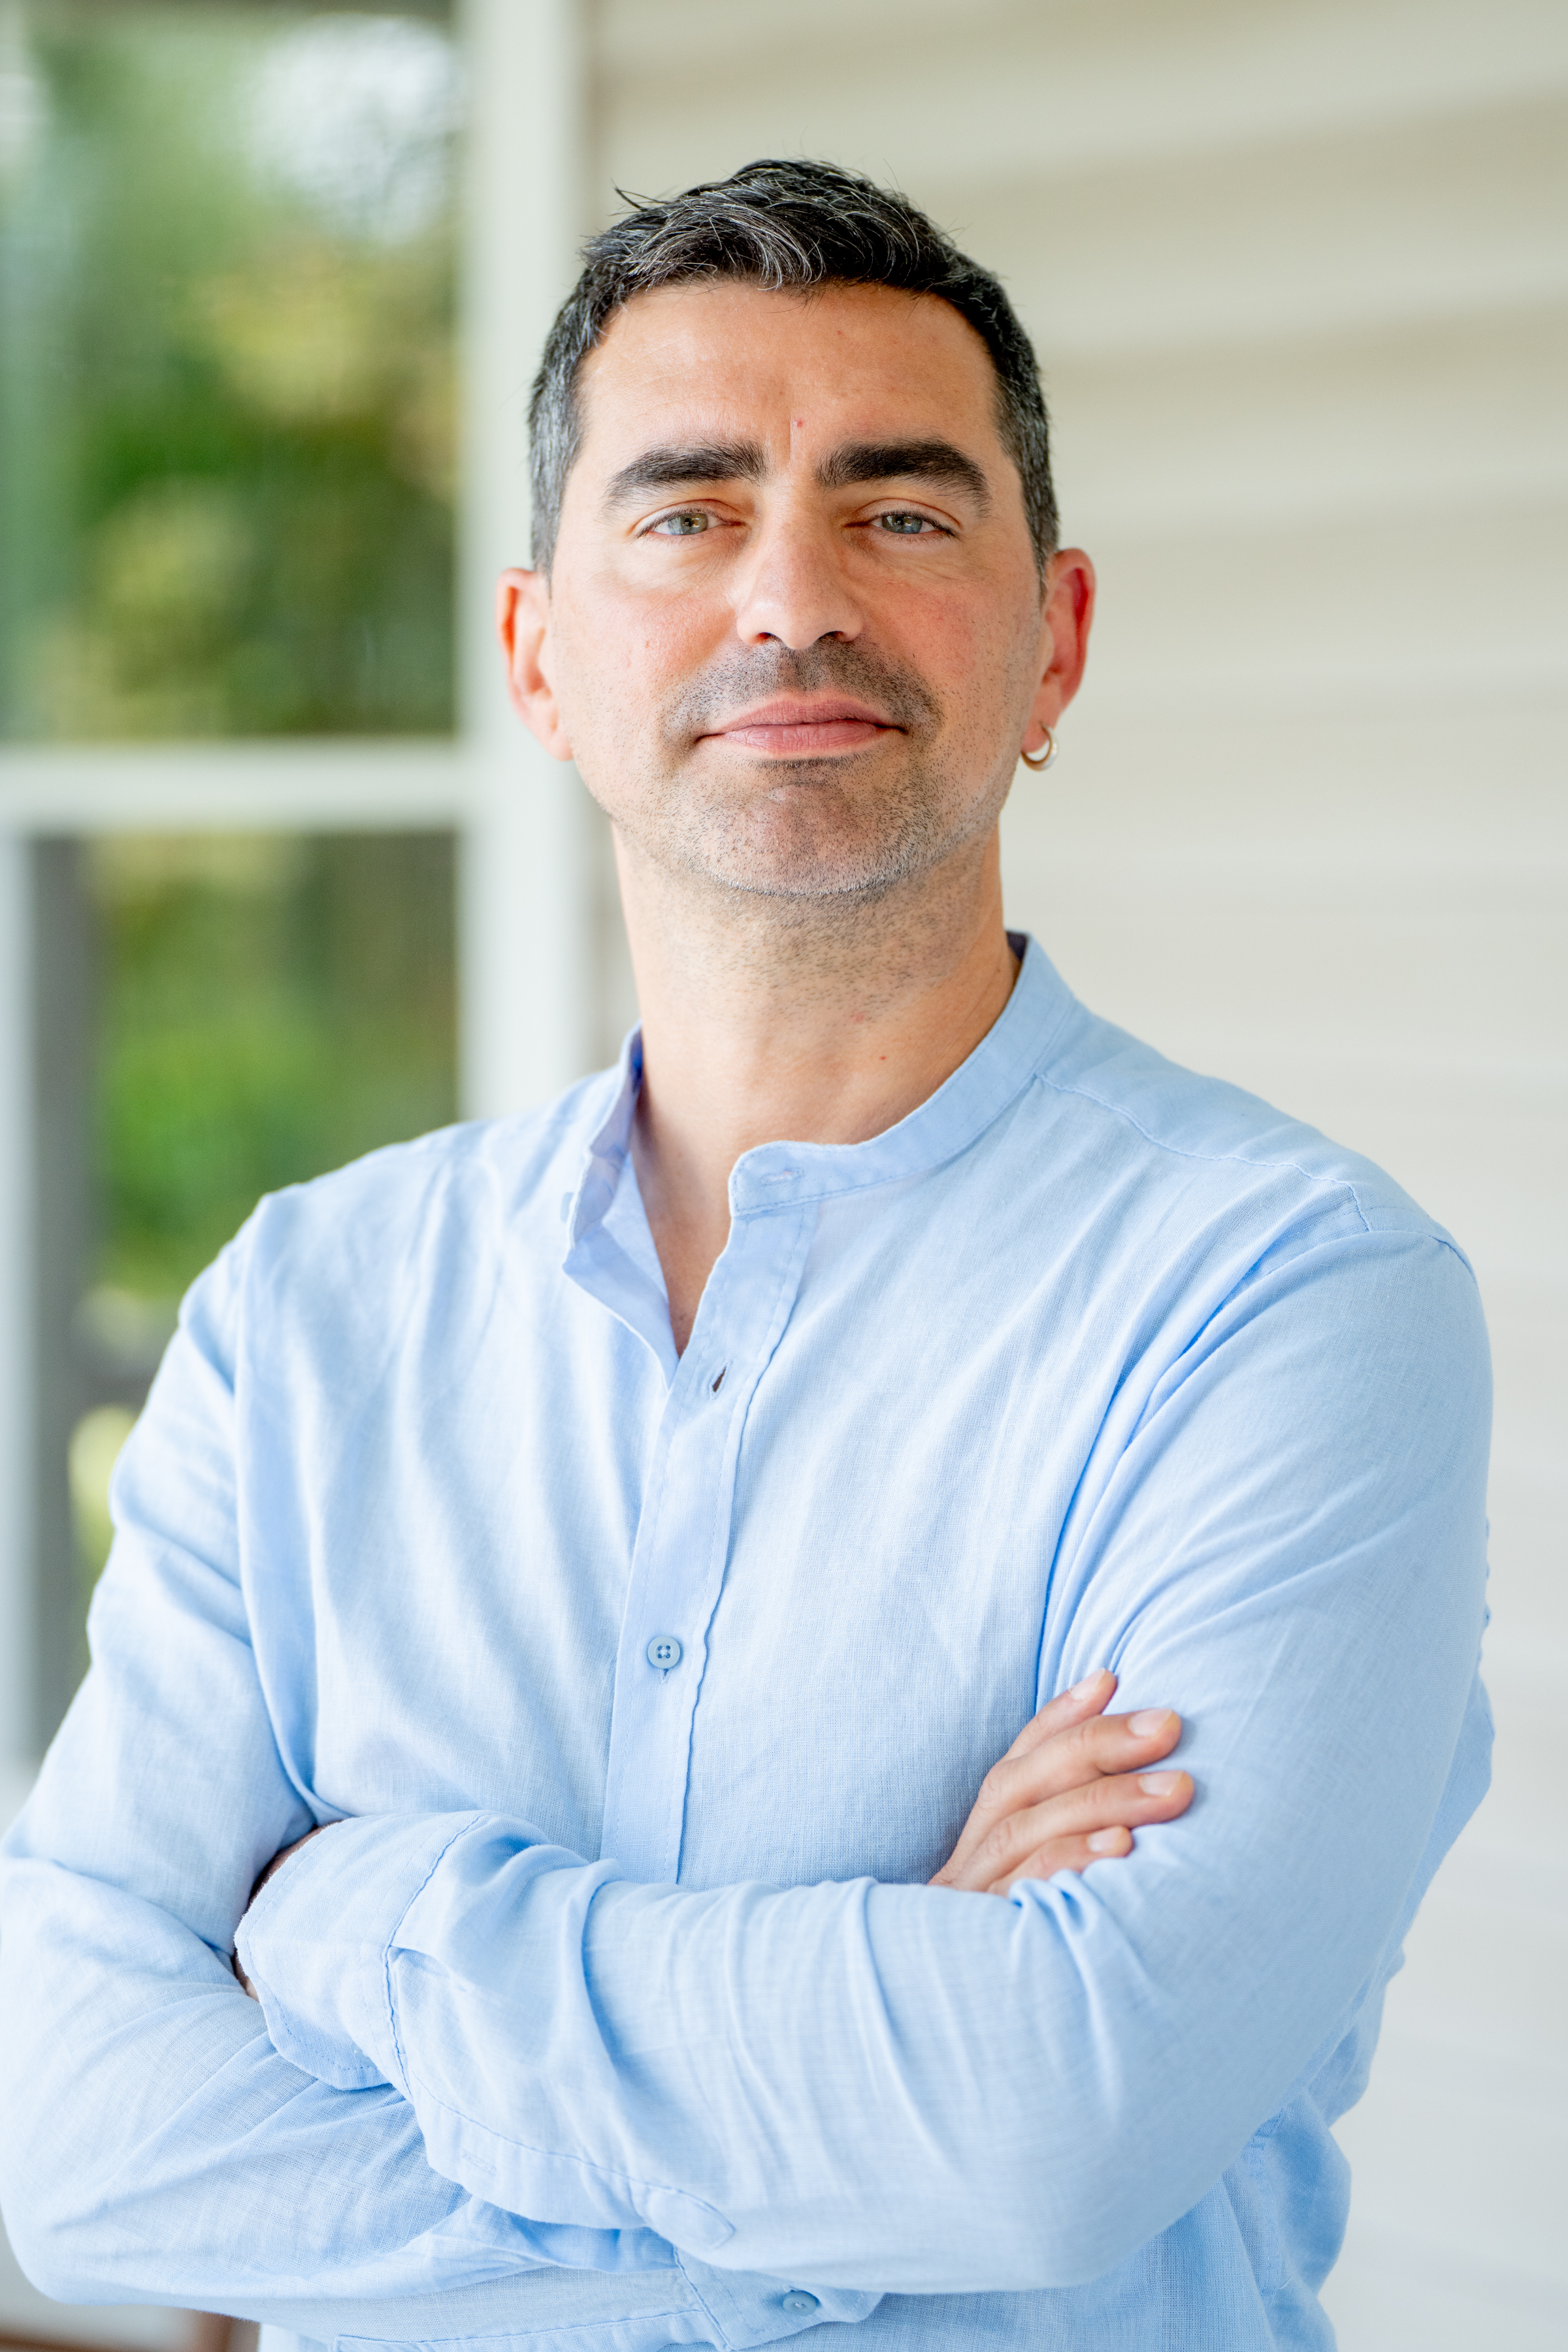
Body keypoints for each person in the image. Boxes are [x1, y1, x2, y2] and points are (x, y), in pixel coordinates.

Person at [0, 161, 1491, 2352]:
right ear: (536, 654)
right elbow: (82, 2144)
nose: (789, 596)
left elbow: (1047, 2134)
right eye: (685, 511)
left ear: (1056, 639)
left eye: (899, 511)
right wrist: (856, 2133)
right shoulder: (308, 1316)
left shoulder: (1291, 1300)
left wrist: (347, 1923)